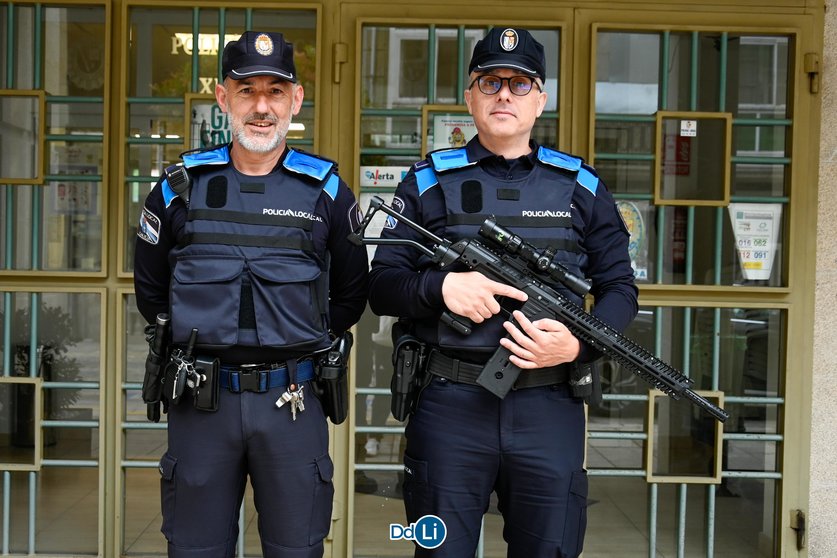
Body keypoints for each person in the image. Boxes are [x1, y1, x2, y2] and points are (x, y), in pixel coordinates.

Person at [368, 27, 638, 557]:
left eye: (520, 84)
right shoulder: (426, 183)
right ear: (470, 96)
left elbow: (619, 289)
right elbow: (382, 286)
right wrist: (442, 286)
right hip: (450, 403)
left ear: (541, 98)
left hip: (549, 406)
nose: (505, 96)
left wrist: (579, 346)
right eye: (491, 83)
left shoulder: (581, 187)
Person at [133, 31, 368, 558]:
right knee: (195, 547)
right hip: (201, 404)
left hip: (292, 403)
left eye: (275, 91)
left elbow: (351, 294)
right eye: (247, 90)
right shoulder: (179, 187)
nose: (262, 106)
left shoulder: (326, 191)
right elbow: (151, 292)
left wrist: (294, 343)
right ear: (223, 98)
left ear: (296, 99)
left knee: (296, 547)